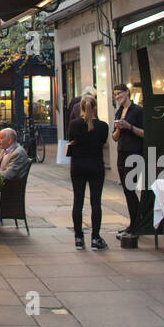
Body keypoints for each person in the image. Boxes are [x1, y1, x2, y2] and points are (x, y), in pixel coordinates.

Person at [68, 93, 110, 250]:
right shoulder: (103, 126)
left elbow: (71, 139)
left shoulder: (74, 124)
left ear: (81, 108)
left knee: (77, 201)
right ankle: (95, 238)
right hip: (96, 166)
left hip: (78, 165)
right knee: (96, 203)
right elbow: (103, 142)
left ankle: (79, 238)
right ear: (95, 107)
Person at [112, 84, 145, 239]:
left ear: (127, 92)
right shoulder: (119, 111)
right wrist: (119, 128)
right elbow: (114, 137)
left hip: (134, 153)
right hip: (122, 152)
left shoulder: (138, 111)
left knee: (130, 188)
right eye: (115, 95)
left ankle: (136, 225)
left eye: (120, 93)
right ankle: (135, 223)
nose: (118, 96)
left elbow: (145, 133)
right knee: (126, 189)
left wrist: (129, 126)